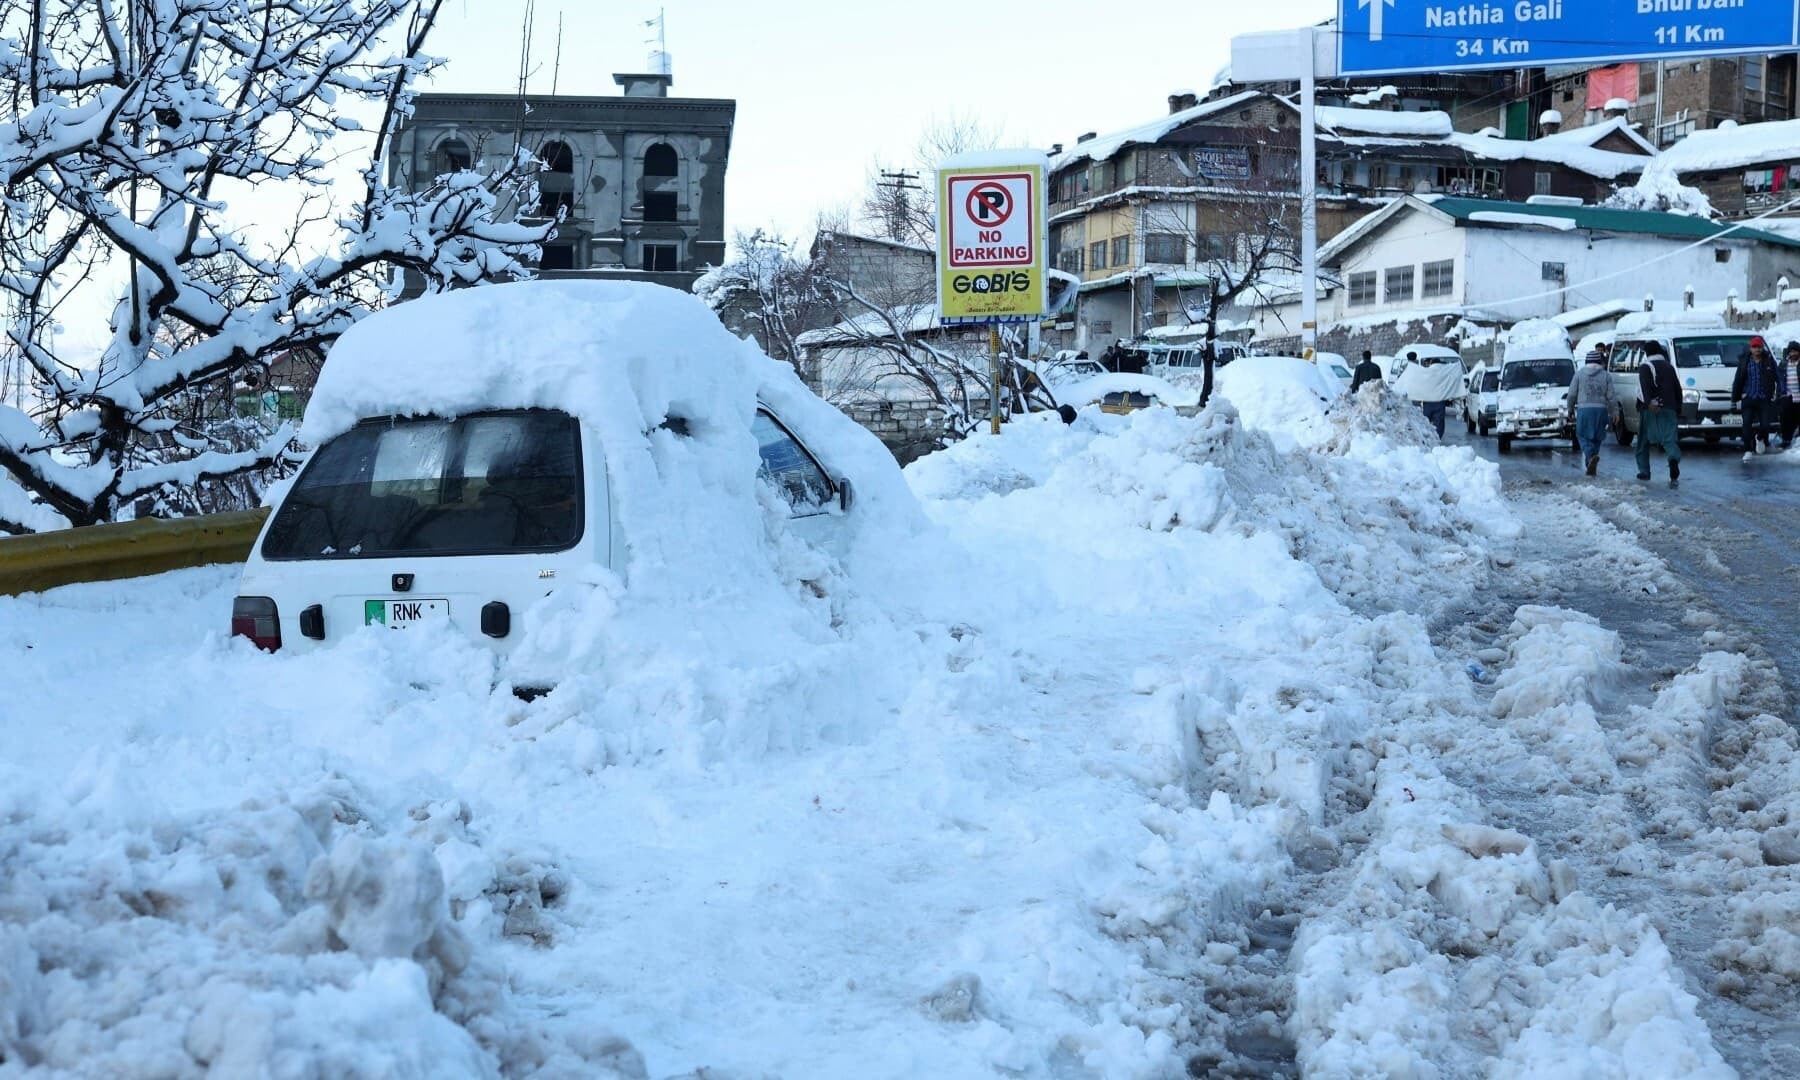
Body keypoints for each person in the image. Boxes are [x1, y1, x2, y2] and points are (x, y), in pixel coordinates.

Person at [1635, 340, 1683, 484]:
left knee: (1643, 440)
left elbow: (1645, 387)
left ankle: (1644, 471)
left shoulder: (1645, 366)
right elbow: (1677, 388)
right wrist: (1678, 407)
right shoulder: (1669, 367)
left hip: (1651, 408)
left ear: (1646, 353)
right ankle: (1673, 459)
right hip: (1670, 407)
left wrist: (1649, 403)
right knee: (1669, 439)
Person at [1567, 346, 1618, 476]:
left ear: (1586, 362)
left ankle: (1590, 457)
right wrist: (1615, 413)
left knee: (1582, 435)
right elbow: (1611, 396)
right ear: (1600, 362)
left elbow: (1572, 394)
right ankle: (1592, 461)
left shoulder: (1579, 374)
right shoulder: (1606, 375)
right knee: (1597, 436)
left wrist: (1570, 409)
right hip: (1601, 410)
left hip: (1584, 410)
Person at [1732, 335, 1781, 459]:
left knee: (1765, 425)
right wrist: (1735, 398)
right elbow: (1738, 380)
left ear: (1762, 348)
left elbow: (1777, 377)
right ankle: (1747, 450)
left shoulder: (1768, 360)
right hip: (1748, 397)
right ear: (1750, 348)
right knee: (1746, 424)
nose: (1757, 349)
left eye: (1759, 347)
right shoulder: (1744, 361)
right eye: (1754, 347)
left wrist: (1778, 392)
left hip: (1763, 398)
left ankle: (1759, 437)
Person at [1780, 342, 1800, 448]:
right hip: (1788, 395)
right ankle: (1786, 440)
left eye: (1795, 351)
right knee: (1786, 419)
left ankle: (1797, 442)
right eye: (1791, 351)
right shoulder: (1784, 364)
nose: (1793, 353)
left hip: (1799, 395)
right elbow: (1779, 378)